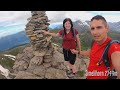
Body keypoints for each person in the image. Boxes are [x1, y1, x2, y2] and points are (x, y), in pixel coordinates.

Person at [76, 15, 120, 79]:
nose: (95, 32)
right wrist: (78, 52)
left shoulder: (114, 47)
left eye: (99, 27)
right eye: (92, 28)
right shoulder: (94, 42)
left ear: (107, 28)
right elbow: (90, 53)